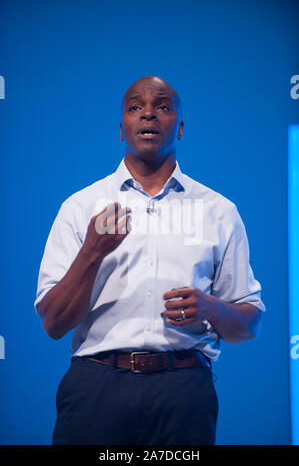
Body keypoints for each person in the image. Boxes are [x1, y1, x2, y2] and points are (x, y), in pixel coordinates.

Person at [34, 75, 265, 445]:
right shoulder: (79, 208)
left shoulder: (218, 210)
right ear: (121, 129)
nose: (148, 115)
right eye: (135, 107)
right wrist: (92, 252)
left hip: (184, 393)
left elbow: (249, 324)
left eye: (162, 106)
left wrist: (210, 308)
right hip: (96, 389)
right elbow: (53, 323)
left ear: (181, 127)